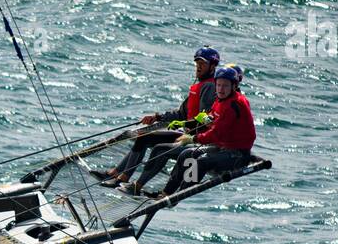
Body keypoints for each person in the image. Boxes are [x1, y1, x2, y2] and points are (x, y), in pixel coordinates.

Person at [94, 47, 221, 188]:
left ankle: (122, 178)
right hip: (186, 132)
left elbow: (203, 119)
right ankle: (116, 173)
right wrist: (157, 117)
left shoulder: (209, 87)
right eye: (197, 63)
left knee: (146, 139)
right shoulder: (199, 86)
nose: (198, 67)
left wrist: (184, 125)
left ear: (213, 66)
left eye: (203, 64)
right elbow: (181, 113)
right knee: (143, 137)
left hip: (194, 137)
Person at [148, 65, 255, 197]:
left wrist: (193, 139)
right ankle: (166, 193)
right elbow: (209, 118)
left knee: (201, 162)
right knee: (187, 154)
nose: (221, 89)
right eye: (219, 85)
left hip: (237, 154)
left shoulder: (233, 105)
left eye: (225, 86)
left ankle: (179, 195)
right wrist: (185, 123)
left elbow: (216, 133)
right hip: (222, 146)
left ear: (234, 86)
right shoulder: (221, 99)